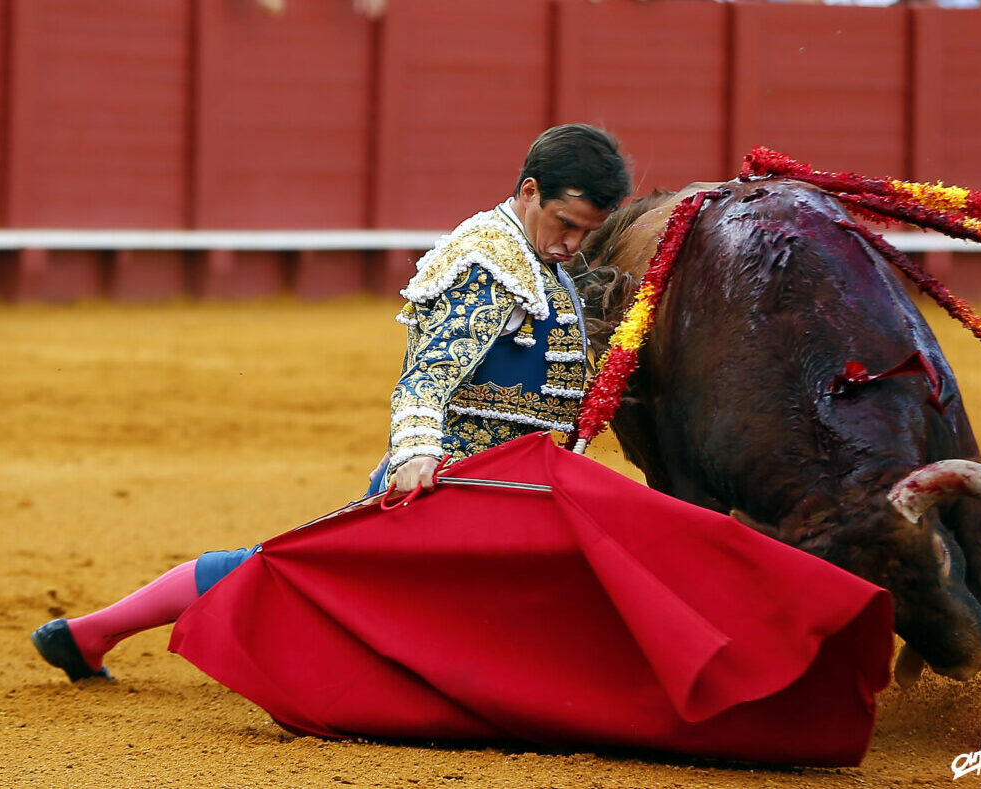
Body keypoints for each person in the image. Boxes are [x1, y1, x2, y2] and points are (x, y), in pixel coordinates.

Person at [31, 123, 632, 683]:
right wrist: (416, 453)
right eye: (565, 224)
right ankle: (92, 633)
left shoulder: (527, 254)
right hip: (449, 485)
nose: (573, 243)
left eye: (586, 232)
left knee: (314, 581)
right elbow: (427, 376)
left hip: (496, 488)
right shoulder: (493, 265)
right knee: (291, 574)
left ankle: (88, 635)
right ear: (529, 192)